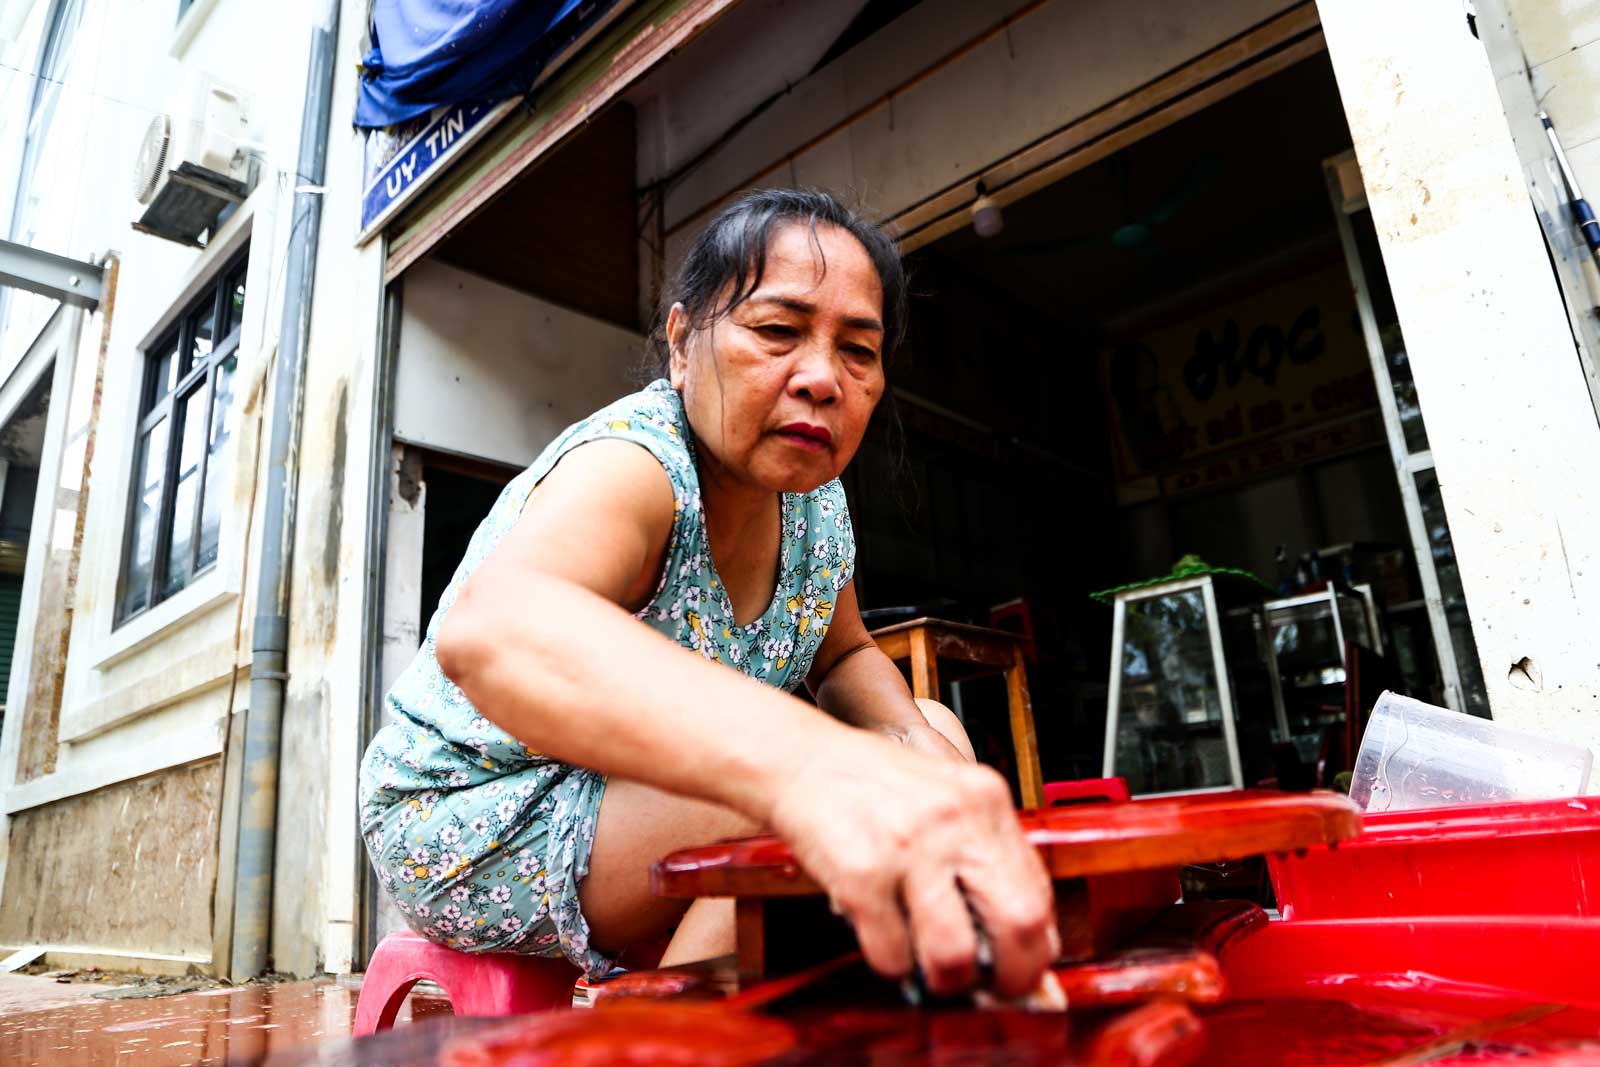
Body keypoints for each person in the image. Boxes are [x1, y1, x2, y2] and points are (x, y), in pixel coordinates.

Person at [359, 188, 1056, 999]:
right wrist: (805, 767)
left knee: (927, 733)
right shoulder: (640, 467)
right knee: (776, 803)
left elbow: (845, 654)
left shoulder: (815, 500)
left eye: (858, 351)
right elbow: (492, 628)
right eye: (777, 332)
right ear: (684, 344)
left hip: (642, 807)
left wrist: (921, 756)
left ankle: (754, 1004)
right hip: (470, 812)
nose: (822, 378)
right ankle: (667, 1036)